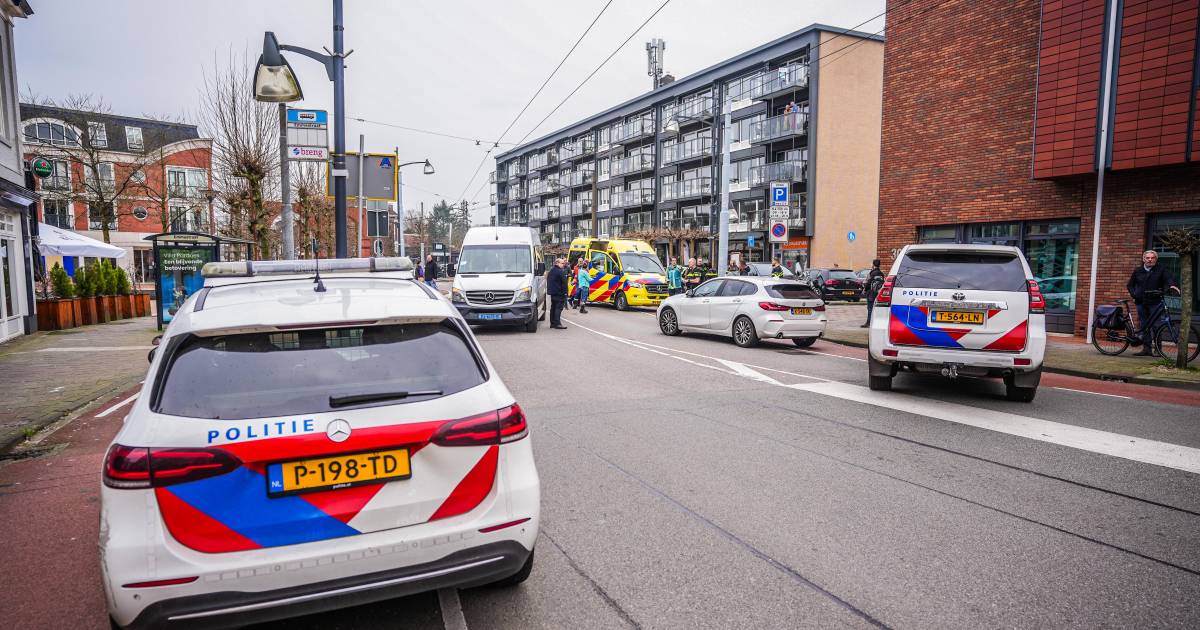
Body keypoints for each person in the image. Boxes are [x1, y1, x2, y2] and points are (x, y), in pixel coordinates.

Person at [1126, 250, 1179, 356]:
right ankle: (1147, 349)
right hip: (1141, 302)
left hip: (1155, 302)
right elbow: (1130, 285)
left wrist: (1172, 285)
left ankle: (1158, 350)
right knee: (1144, 325)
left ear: (1156, 259)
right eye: (1148, 258)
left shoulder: (1161, 269)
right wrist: (1134, 295)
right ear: (1143, 259)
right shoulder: (1138, 271)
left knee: (1156, 325)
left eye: (1152, 258)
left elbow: (1168, 278)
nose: (1150, 260)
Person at [862, 258, 885, 328]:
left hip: (871, 293)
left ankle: (868, 323)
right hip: (878, 293)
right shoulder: (881, 273)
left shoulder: (872, 273)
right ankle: (877, 322)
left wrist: (865, 290)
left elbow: (868, 282)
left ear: (873, 264)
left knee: (870, 308)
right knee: (877, 308)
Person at [547, 257, 569, 329]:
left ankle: (552, 323)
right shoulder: (560, 271)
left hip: (553, 293)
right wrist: (565, 293)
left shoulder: (551, 270)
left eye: (564, 263)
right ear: (557, 263)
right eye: (562, 263)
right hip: (559, 293)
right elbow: (564, 283)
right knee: (558, 308)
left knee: (553, 308)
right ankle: (557, 323)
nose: (563, 265)